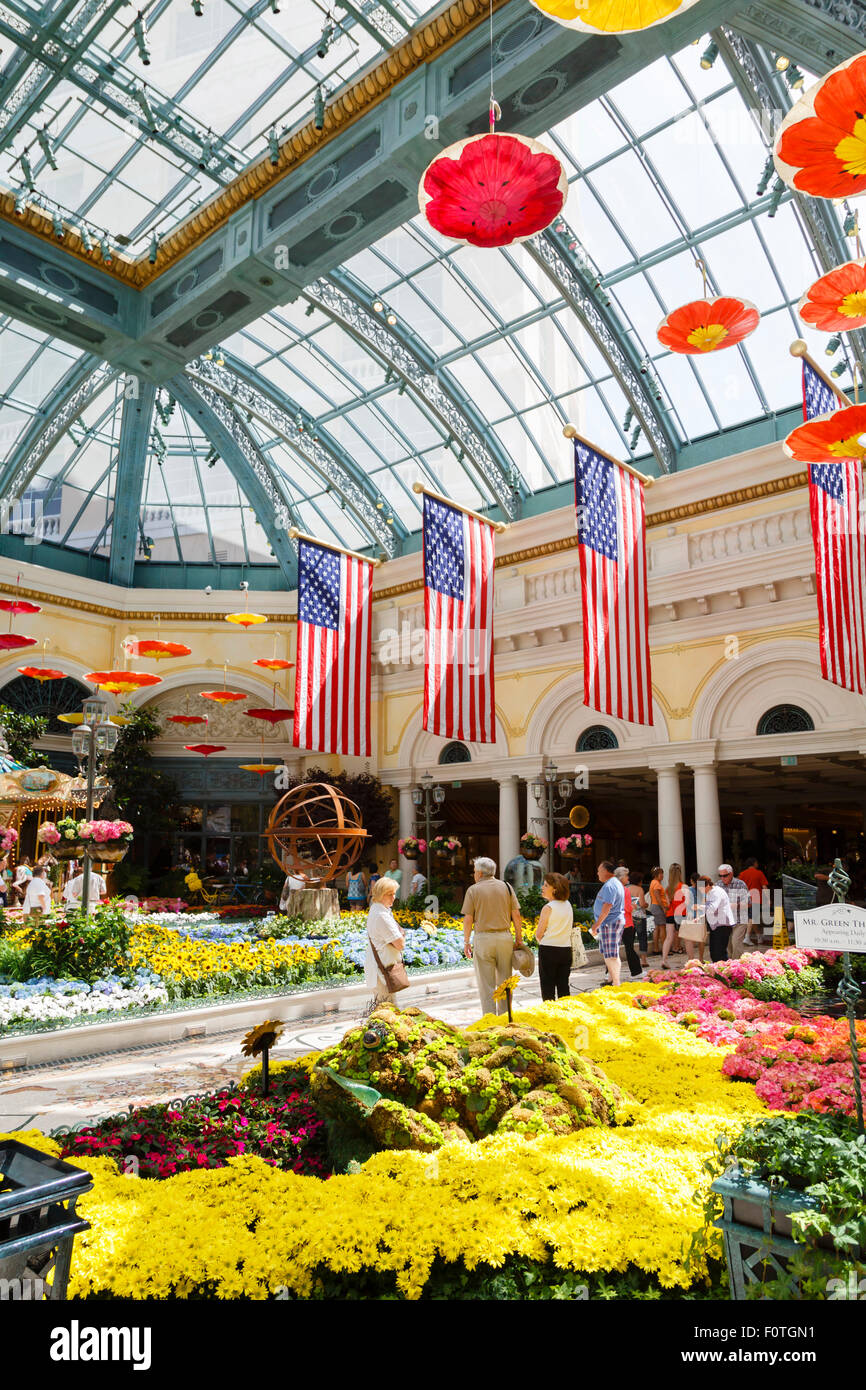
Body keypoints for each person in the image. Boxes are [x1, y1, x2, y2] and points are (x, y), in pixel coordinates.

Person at [462, 856, 524, 1017]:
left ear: (481, 873)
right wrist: (519, 938)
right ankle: (505, 1017)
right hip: (504, 938)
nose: (474, 874)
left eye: (475, 871)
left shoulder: (473, 890)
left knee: (486, 983)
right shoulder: (507, 887)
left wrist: (466, 941)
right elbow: (516, 915)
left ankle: (489, 1019)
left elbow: (468, 918)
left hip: (483, 939)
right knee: (505, 981)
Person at [364, 876, 405, 1006]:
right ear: (381, 895)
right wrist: (401, 934)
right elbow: (400, 944)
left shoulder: (378, 910)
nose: (393, 897)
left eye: (394, 894)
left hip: (380, 969)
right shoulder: (381, 915)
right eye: (390, 894)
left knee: (384, 1013)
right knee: (387, 1015)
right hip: (382, 972)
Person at [536, 872, 575, 1000]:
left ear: (555, 889)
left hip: (548, 949)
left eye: (546, 885)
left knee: (548, 988)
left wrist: (541, 939)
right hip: (565, 950)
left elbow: (539, 934)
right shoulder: (568, 905)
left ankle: (550, 1015)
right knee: (564, 986)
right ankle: (566, 1013)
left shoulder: (548, 907)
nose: (542, 887)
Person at [591, 860, 625, 987]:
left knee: (611, 955)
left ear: (605, 871)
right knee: (609, 952)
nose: (597, 873)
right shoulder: (613, 884)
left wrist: (597, 924)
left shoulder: (611, 885)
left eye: (599, 870)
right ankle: (611, 979)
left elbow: (607, 906)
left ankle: (616, 982)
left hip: (609, 922)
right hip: (610, 922)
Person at [614, 866, 646, 981]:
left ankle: (609, 974)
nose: (628, 877)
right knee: (629, 948)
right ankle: (636, 971)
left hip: (615, 922)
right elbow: (627, 907)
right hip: (626, 923)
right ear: (622, 877)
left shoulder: (613, 889)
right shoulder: (624, 890)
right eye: (626, 875)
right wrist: (633, 907)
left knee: (613, 949)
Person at [716, 864, 750, 958]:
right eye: (720, 876)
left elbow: (748, 903)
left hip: (739, 920)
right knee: (728, 946)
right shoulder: (718, 885)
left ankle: (737, 966)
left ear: (731, 874)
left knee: (736, 943)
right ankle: (732, 966)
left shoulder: (740, 884)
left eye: (725, 875)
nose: (722, 878)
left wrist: (735, 905)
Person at [705, 873, 736, 962]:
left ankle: (724, 973)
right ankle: (717, 972)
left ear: (707, 885)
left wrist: (700, 907)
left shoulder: (716, 892)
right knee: (714, 952)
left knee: (719, 953)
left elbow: (712, 907)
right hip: (716, 925)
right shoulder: (709, 892)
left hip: (722, 924)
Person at [740, 857, 769, 946]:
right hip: (755, 898)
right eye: (756, 862)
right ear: (754, 863)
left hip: (744, 899)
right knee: (752, 918)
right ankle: (747, 937)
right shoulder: (759, 873)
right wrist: (767, 899)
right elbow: (764, 887)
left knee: (752, 918)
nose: (757, 864)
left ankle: (759, 935)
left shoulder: (742, 874)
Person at [628, 870, 650, 973]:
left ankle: (631, 960)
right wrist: (646, 905)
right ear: (639, 881)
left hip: (629, 916)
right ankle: (644, 960)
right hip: (639, 916)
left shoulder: (626, 888)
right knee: (642, 938)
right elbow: (641, 904)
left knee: (630, 939)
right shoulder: (639, 889)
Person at [684, 875, 709, 963]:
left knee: (690, 939)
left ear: (691, 881)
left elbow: (686, 903)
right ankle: (701, 959)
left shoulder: (688, 890)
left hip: (691, 916)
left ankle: (691, 959)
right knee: (701, 940)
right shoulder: (702, 890)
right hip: (701, 916)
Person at [665, 863, 686, 961]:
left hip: (670, 914)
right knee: (687, 937)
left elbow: (667, 905)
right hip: (682, 913)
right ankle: (690, 960)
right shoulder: (684, 886)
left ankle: (664, 960)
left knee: (669, 937)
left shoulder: (668, 888)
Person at [648, 865, 668, 955]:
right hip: (658, 906)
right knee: (662, 927)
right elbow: (657, 896)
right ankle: (664, 948)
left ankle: (656, 948)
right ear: (657, 874)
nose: (663, 876)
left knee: (656, 928)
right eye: (661, 874)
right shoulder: (656, 883)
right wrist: (663, 907)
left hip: (654, 906)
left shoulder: (653, 882)